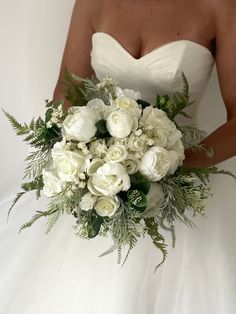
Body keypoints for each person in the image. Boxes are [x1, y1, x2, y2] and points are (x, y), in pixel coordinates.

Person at [0, 1, 236, 313]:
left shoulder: (220, 5)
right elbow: (67, 92)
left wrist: (170, 164)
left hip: (182, 183)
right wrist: (79, 157)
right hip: (100, 179)